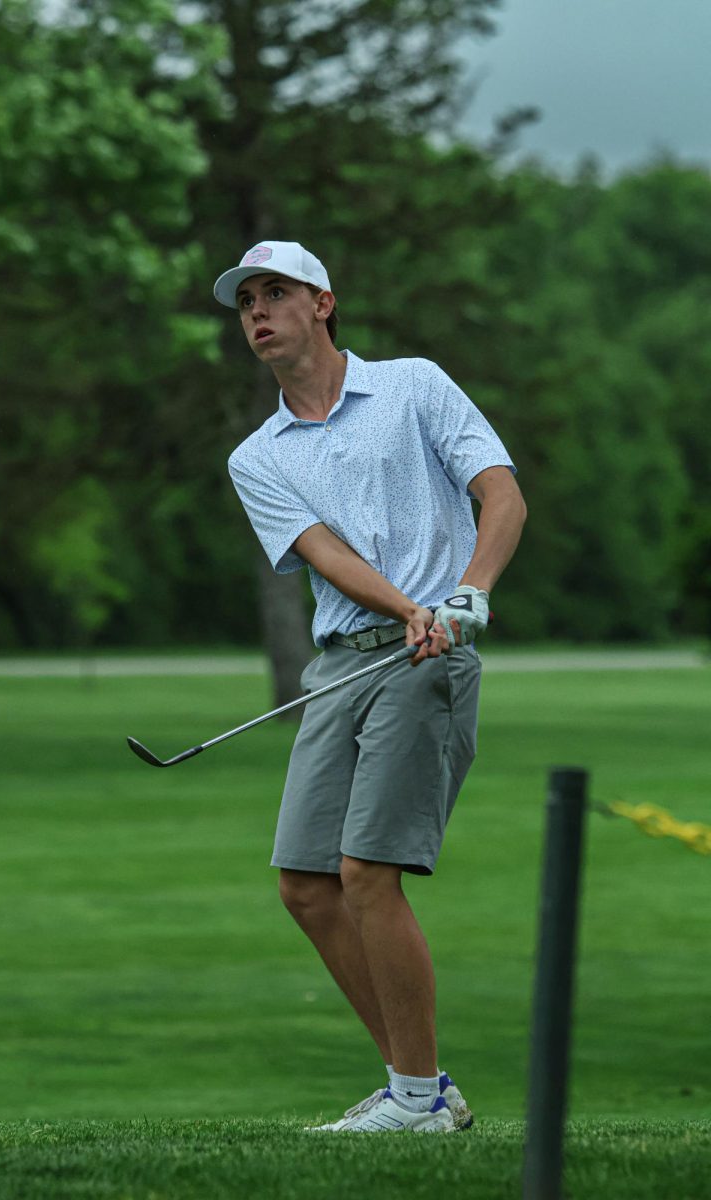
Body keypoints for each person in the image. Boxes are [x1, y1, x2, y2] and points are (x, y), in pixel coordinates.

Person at [213, 240, 527, 1134]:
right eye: (246, 304)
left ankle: (419, 1100)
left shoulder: (415, 386)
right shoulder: (258, 454)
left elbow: (501, 495)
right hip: (343, 662)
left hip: (430, 658)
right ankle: (418, 1086)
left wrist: (466, 594)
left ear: (323, 303)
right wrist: (406, 604)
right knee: (306, 883)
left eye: (276, 294)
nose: (258, 313)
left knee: (366, 873)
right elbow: (327, 557)